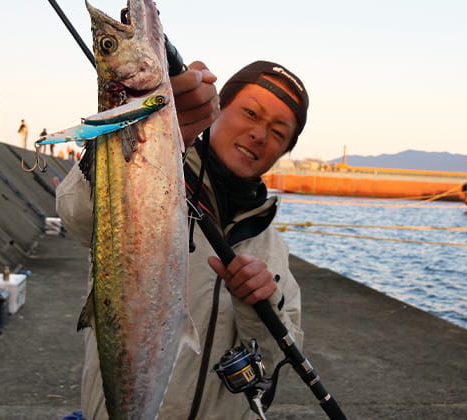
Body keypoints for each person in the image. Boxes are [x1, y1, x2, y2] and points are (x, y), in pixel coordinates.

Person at [56, 60, 308, 420]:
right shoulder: (150, 171)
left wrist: (261, 304)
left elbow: (278, 360)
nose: (259, 134)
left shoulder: (271, 249)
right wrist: (131, 134)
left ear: (283, 152)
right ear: (216, 108)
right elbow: (78, 216)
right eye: (250, 112)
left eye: (279, 132)